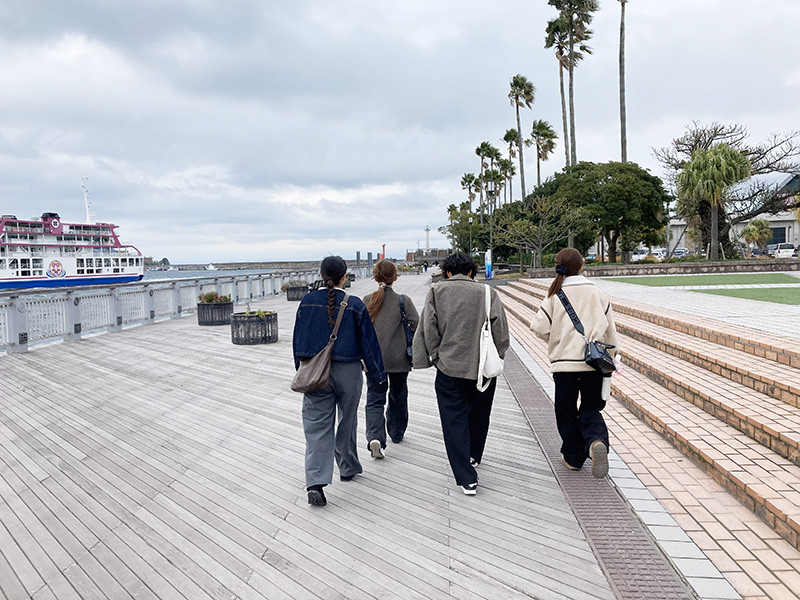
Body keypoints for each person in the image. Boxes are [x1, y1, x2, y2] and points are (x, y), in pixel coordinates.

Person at [412, 252, 509, 495]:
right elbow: (501, 331)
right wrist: (498, 355)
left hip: (449, 367)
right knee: (480, 414)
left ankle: (467, 478)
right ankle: (474, 454)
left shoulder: (436, 291)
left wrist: (436, 356)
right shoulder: (486, 292)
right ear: (470, 272)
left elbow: (428, 328)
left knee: (453, 419)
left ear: (447, 272)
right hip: (482, 368)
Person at [292, 256, 385, 507]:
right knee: (347, 420)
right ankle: (347, 466)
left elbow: (298, 340)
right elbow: (369, 343)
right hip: (349, 371)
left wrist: (302, 369)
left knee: (316, 427)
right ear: (345, 276)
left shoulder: (307, 302)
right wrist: (378, 375)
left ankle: (315, 483)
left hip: (316, 371)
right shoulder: (354, 304)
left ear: (321, 275)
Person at [530, 247, 618, 478]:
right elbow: (610, 331)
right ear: (581, 266)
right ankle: (596, 441)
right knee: (591, 408)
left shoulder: (555, 294)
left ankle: (573, 458)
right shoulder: (597, 293)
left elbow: (538, 327)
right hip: (593, 363)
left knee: (565, 411)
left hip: (564, 365)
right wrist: (612, 356)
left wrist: (557, 340)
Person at [362, 260, 420, 458]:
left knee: (374, 399)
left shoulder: (367, 300)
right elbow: (417, 326)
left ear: (375, 277)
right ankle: (396, 432)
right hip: (399, 360)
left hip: (374, 361)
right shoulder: (403, 300)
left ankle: (375, 437)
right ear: (395, 277)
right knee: (398, 394)